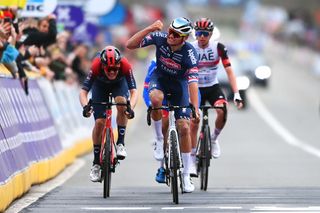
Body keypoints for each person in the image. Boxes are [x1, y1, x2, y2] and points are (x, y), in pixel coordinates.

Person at [126, 17, 200, 193]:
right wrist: (150, 28)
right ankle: (159, 140)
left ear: (184, 38)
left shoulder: (189, 53)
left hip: (179, 86)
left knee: (184, 127)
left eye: (176, 34)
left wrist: (195, 107)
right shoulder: (160, 37)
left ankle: (186, 176)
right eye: (170, 31)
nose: (171, 36)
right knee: (156, 100)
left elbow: (193, 83)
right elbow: (130, 44)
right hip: (159, 79)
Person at [190, 18, 243, 169]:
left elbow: (230, 71)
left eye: (205, 34)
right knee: (194, 122)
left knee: (222, 110)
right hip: (196, 89)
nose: (201, 37)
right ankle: (192, 157)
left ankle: (213, 139)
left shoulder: (218, 48)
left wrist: (237, 93)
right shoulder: (190, 48)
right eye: (198, 33)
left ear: (211, 34)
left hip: (212, 87)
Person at [79, 45, 138, 182]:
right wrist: (85, 106)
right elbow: (83, 92)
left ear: (119, 64)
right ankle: (96, 163)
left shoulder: (125, 65)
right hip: (100, 87)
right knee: (100, 122)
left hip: (119, 85)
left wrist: (131, 108)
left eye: (115, 69)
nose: (112, 72)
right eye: (108, 69)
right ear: (103, 66)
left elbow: (134, 91)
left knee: (122, 102)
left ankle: (120, 143)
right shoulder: (96, 65)